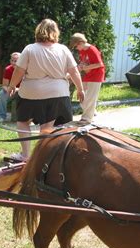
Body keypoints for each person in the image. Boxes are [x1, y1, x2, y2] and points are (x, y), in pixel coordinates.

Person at [7, 19, 85, 161]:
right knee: (47, 125)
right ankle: (43, 156)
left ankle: (25, 155)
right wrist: (80, 89)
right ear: (56, 32)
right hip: (58, 92)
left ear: (38, 31)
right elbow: (74, 71)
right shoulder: (63, 49)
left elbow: (19, 70)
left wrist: (12, 85)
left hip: (32, 92)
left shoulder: (30, 49)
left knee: (23, 121)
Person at [69, 32, 105, 124]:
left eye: (76, 46)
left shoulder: (92, 49)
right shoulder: (82, 51)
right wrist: (77, 69)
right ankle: (91, 112)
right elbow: (83, 63)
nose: (76, 49)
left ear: (80, 42)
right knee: (82, 97)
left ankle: (87, 119)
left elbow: (100, 64)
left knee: (90, 97)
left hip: (96, 76)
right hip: (88, 75)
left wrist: (85, 67)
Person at [0, 52, 21, 122]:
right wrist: (8, 90)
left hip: (22, 92)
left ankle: (29, 118)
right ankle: (1, 116)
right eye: (12, 60)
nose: (13, 63)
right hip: (11, 91)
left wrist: (17, 89)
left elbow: (28, 86)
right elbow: (4, 85)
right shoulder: (8, 69)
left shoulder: (25, 70)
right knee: (2, 94)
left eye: (16, 61)